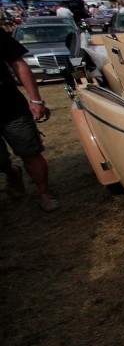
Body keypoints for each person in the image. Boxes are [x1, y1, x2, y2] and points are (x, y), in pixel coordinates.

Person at [1, 28, 59, 211]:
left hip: (10, 107)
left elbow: (18, 64)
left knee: (30, 152)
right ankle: (12, 173)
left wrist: (35, 100)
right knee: (0, 161)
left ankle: (44, 194)